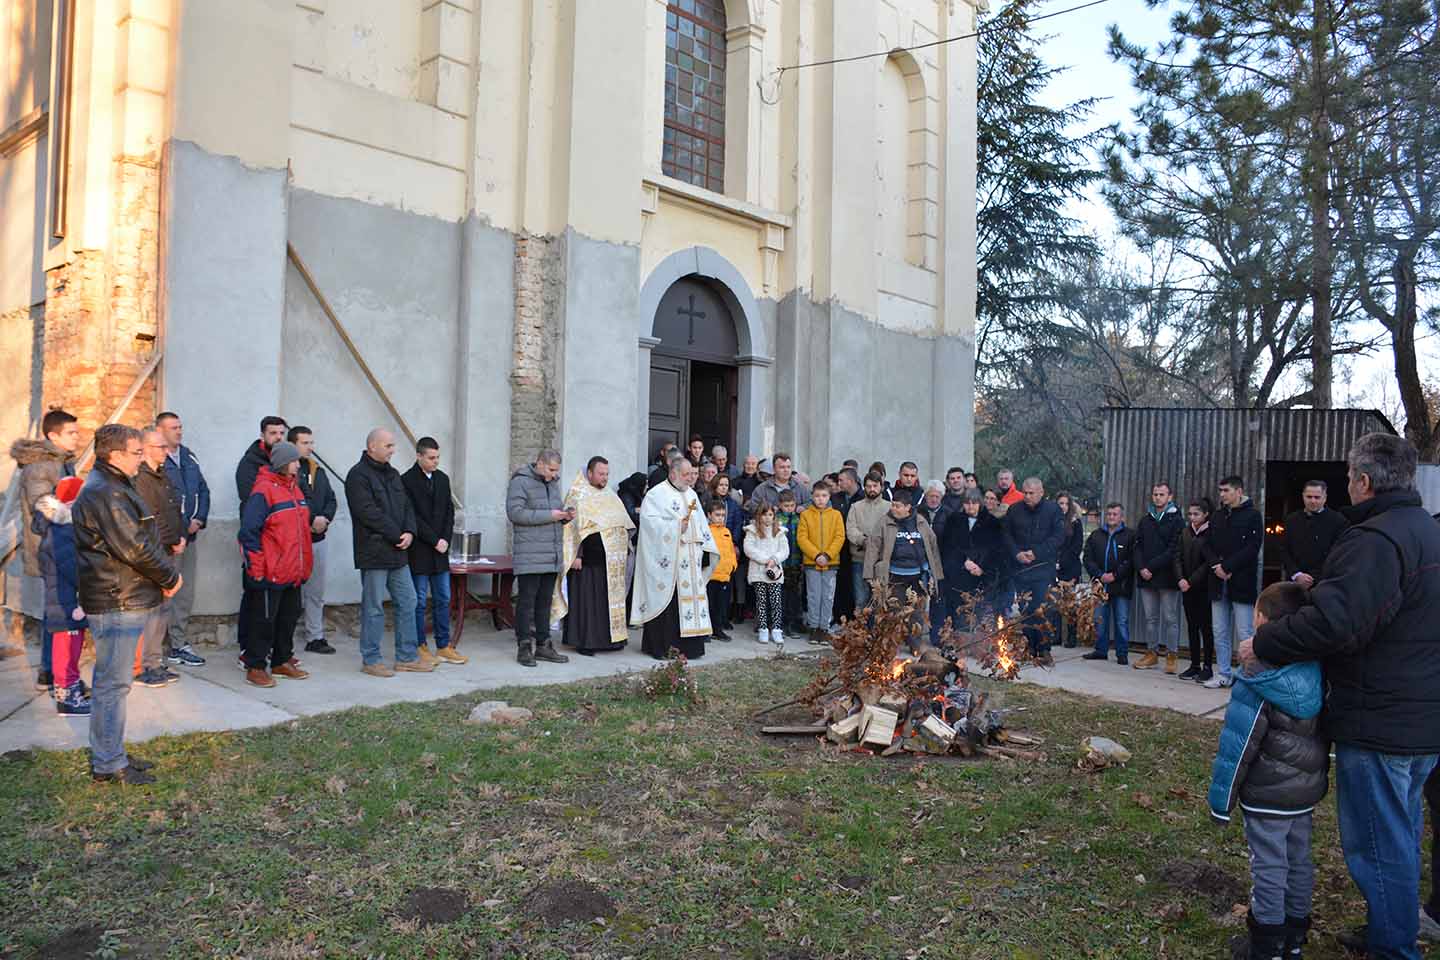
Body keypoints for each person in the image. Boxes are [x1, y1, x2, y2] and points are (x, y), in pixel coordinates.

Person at [1243, 433, 1440, 960]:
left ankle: (1395, 949)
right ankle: (1389, 931)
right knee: (1402, 834)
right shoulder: (1428, 531)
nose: (1345, 485)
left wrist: (1262, 641)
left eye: (1348, 476)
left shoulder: (1375, 540)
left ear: (1364, 481)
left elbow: (1335, 623)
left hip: (1381, 721)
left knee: (1380, 846)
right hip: (1423, 718)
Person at [1209, 582, 1326, 960]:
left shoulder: (1258, 677)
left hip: (1267, 796)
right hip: (1304, 794)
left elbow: (1238, 746)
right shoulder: (1316, 669)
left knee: (1269, 867)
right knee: (1299, 861)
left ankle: (1267, 945)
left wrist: (1220, 801)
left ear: (1260, 619)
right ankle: (1294, 939)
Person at [74, 424, 181, 785]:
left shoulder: (114, 486)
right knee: (112, 684)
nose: (142, 457)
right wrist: (169, 577)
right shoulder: (107, 492)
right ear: (114, 454)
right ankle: (107, 763)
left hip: (121, 596)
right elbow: (135, 547)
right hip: (116, 599)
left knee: (115, 683)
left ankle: (111, 751)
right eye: (136, 452)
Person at [345, 428, 429, 677]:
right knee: (373, 607)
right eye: (388, 446)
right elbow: (368, 512)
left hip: (398, 552)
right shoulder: (357, 476)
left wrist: (410, 532)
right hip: (374, 551)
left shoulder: (393, 475)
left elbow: (406, 506)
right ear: (372, 446)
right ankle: (371, 659)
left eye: (393, 446)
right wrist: (396, 534)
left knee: (409, 601)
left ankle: (407, 656)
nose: (393, 451)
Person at [11, 407, 80, 691]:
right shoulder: (41, 465)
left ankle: (51, 670)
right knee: (57, 612)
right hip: (48, 548)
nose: (78, 437)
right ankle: (50, 672)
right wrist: (78, 513)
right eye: (71, 433)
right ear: (53, 435)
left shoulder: (61, 461)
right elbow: (44, 504)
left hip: (61, 544)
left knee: (59, 611)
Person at [238, 441, 313, 688]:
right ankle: (256, 666)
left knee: (288, 619)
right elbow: (249, 532)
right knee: (264, 621)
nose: (298, 464)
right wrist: (257, 568)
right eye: (294, 461)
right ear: (282, 463)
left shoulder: (295, 489)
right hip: (271, 571)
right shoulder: (263, 491)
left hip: (293, 572)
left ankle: (281, 661)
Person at [631, 455, 720, 659]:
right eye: (686, 474)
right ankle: (661, 648)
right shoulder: (656, 495)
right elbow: (648, 525)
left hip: (690, 560)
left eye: (692, 474)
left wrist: (707, 548)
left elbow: (701, 525)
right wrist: (675, 527)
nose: (691, 479)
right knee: (667, 605)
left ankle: (690, 648)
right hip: (667, 563)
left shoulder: (691, 495)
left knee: (690, 603)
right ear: (673, 473)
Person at [554, 456, 634, 655]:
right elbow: (570, 529)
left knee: (607, 602)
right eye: (601, 474)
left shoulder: (610, 495)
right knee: (588, 603)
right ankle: (585, 642)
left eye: (607, 474)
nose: (605, 478)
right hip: (586, 560)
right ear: (589, 473)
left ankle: (611, 641)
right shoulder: (577, 495)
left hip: (610, 560)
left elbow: (624, 522)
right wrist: (576, 556)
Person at [506, 449, 573, 667]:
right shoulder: (520, 482)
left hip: (551, 553)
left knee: (545, 602)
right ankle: (524, 647)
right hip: (529, 554)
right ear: (540, 464)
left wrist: (564, 516)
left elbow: (554, 511)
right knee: (526, 602)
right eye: (551, 470)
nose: (555, 475)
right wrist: (550, 516)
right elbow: (515, 513)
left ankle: (544, 645)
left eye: (556, 471)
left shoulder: (552, 483)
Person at [132, 428, 186, 688]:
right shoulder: (141, 479)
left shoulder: (161, 475)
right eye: (160, 447)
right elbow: (152, 519)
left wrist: (181, 534)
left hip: (168, 550)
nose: (166, 451)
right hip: (155, 553)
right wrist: (172, 540)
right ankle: (144, 666)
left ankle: (154, 661)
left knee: (162, 609)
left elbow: (174, 508)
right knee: (151, 610)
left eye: (166, 447)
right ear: (145, 449)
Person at [402, 437, 462, 666]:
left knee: (443, 597)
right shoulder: (406, 480)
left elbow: (449, 511)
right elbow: (412, 516)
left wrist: (445, 539)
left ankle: (444, 645)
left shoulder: (442, 479)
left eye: (437, 457)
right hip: (420, 549)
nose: (435, 462)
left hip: (440, 551)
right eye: (431, 458)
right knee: (418, 600)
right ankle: (420, 645)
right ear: (419, 456)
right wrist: (434, 539)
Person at [156, 412, 209, 666]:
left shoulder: (188, 456)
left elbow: (202, 490)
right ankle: (156, 651)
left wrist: (199, 518)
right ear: (160, 430)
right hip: (169, 541)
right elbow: (161, 504)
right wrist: (177, 529)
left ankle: (178, 644)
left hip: (191, 536)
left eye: (180, 426)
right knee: (166, 595)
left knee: (185, 593)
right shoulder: (157, 460)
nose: (179, 431)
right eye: (173, 427)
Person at [863, 493, 944, 652]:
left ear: (908, 508)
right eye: (893, 505)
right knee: (893, 611)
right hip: (894, 575)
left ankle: (915, 644)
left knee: (917, 613)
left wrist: (937, 574)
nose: (893, 508)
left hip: (918, 576)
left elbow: (932, 547)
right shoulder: (885, 522)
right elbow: (873, 547)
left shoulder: (921, 522)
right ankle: (891, 645)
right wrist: (869, 574)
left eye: (898, 506)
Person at [36, 476, 90, 715]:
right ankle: (66, 697)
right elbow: (74, 569)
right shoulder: (62, 531)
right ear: (71, 503)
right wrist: (86, 594)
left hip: (67, 599)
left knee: (73, 646)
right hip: (66, 601)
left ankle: (72, 685)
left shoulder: (63, 528)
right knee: (66, 649)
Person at [1206, 475, 1263, 689]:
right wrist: (1216, 566)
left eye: (1226, 490)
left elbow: (1252, 548)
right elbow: (1207, 545)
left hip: (1241, 582)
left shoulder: (1253, 516)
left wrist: (1228, 567)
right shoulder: (1218, 516)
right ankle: (1223, 673)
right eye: (1220, 491)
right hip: (1218, 583)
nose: (1222, 495)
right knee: (1219, 631)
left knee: (1245, 633)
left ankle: (1248, 676)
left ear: (1239, 492)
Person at [1002, 477, 1065, 661]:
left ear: (1041, 492)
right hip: (1021, 570)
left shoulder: (1053, 510)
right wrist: (1017, 553)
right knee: (1026, 610)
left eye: (1031, 493)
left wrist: (1036, 553)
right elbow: (1006, 535)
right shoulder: (1015, 510)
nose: (1027, 496)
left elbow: (1058, 537)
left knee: (1042, 610)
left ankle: (1044, 649)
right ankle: (1029, 647)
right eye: (1025, 493)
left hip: (1043, 569)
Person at [289, 426, 338, 655]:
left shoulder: (317, 470)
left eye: (311, 442)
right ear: (292, 445)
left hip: (318, 538)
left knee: (315, 591)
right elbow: (292, 503)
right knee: (289, 591)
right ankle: (282, 638)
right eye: (305, 443)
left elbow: (331, 499)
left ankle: (315, 636)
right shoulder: (286, 471)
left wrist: (325, 518)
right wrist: (309, 519)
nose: (311, 447)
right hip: (294, 541)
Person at [1134, 481, 1183, 673]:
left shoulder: (1177, 520)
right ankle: (1151, 654)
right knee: (1150, 618)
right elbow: (1137, 546)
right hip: (1146, 577)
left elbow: (1174, 549)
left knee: (1170, 618)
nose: (1157, 498)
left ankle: (1171, 655)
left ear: (1170, 496)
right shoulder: (1145, 520)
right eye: (1155, 494)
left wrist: (1151, 566)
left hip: (1167, 577)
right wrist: (1141, 568)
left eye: (1162, 494)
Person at [938, 488, 1003, 630]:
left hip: (982, 576)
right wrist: (965, 561)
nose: (970, 506)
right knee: (957, 614)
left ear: (980, 504)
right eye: (967, 503)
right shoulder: (954, 520)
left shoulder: (992, 523)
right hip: (958, 574)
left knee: (979, 615)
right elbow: (948, 547)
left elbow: (994, 550)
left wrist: (980, 566)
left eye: (974, 503)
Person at [1082, 502, 1135, 665]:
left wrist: (1115, 575)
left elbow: (1132, 560)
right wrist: (1100, 575)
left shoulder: (1130, 535)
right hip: (1100, 585)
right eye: (1109, 514)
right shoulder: (1096, 535)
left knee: (1121, 620)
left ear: (1121, 517)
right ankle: (1100, 650)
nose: (1112, 517)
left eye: (1115, 514)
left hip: (1121, 586)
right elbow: (1087, 558)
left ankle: (1122, 653)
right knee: (1100, 619)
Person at [797, 480, 845, 645]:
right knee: (813, 595)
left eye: (824, 496)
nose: (820, 499)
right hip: (812, 563)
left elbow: (840, 537)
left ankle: (824, 628)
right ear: (812, 497)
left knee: (828, 596)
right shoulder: (806, 515)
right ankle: (813, 627)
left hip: (830, 563)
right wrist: (817, 555)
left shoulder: (836, 515)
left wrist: (828, 555)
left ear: (829, 496)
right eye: (817, 496)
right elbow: (802, 538)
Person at [1174, 498, 1217, 682]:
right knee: (1191, 626)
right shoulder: (1185, 532)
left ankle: (1207, 666)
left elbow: (1209, 562)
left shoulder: (1212, 533)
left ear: (1206, 514)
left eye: (1196, 514)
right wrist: (1181, 578)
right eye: (1190, 514)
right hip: (1187, 587)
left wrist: (1191, 581)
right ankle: (1194, 665)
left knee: (1206, 628)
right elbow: (1177, 557)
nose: (1192, 517)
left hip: (1204, 587)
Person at [1280, 480, 1348, 588]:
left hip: (1325, 584)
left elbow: (1339, 553)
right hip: (1295, 584)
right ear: (1303, 496)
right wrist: (1296, 574)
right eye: (1309, 497)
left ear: (1325, 497)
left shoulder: (1338, 521)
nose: (1313, 501)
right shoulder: (1291, 520)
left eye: (1317, 497)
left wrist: (1314, 577)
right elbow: (1284, 550)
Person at [744, 503, 789, 646]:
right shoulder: (752, 531)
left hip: (774, 572)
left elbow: (784, 550)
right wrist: (765, 560)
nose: (767, 518)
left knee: (776, 601)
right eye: (764, 514)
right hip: (758, 572)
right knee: (761, 601)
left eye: (770, 515)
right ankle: (763, 629)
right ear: (759, 515)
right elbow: (749, 549)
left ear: (774, 516)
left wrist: (774, 560)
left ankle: (776, 629)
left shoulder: (780, 532)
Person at [846, 471, 889, 613]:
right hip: (860, 559)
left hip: (881, 561)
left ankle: (878, 633)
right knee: (861, 599)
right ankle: (860, 633)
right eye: (868, 486)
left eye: (875, 486)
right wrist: (864, 541)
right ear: (864, 487)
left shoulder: (889, 508)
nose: (872, 489)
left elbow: (892, 531)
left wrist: (878, 545)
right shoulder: (855, 507)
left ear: (881, 487)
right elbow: (851, 529)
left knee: (879, 599)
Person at [1053, 492, 1085, 648]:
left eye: (1066, 503)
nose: (1063, 506)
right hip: (1054, 568)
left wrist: (1061, 563)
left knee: (1070, 604)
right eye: (1060, 503)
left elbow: (1076, 547)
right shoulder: (1052, 522)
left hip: (1070, 568)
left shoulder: (1076, 523)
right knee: (1055, 604)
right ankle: (1056, 635)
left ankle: (1072, 637)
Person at [703, 500, 737, 641]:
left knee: (720, 606)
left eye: (723, 515)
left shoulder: (726, 531)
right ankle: (706, 631)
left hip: (725, 575)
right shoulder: (706, 531)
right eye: (717, 515)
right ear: (709, 515)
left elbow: (730, 550)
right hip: (711, 575)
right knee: (708, 605)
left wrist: (733, 565)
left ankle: (717, 630)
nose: (721, 518)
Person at [775, 489, 806, 638]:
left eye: (792, 505)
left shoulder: (798, 519)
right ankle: (778, 623)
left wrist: (802, 560)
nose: (789, 508)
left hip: (795, 562)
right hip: (780, 563)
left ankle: (792, 623)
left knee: (794, 594)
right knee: (780, 594)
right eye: (786, 505)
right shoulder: (776, 519)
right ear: (780, 505)